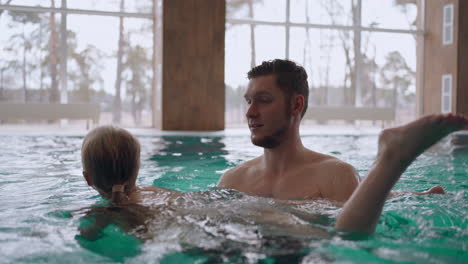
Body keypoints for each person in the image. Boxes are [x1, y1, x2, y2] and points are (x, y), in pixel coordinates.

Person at [81, 116, 468, 235]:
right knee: (316, 212)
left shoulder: (103, 215)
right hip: (219, 208)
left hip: (214, 216)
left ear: (87, 178)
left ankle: (392, 159)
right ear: (138, 167)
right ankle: (403, 194)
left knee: (338, 233)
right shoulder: (150, 189)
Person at [217, 59, 445, 201]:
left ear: (296, 105)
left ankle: (391, 163)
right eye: (249, 101)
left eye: (264, 100)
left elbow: (350, 235)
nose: (250, 112)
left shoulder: (334, 175)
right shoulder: (232, 179)